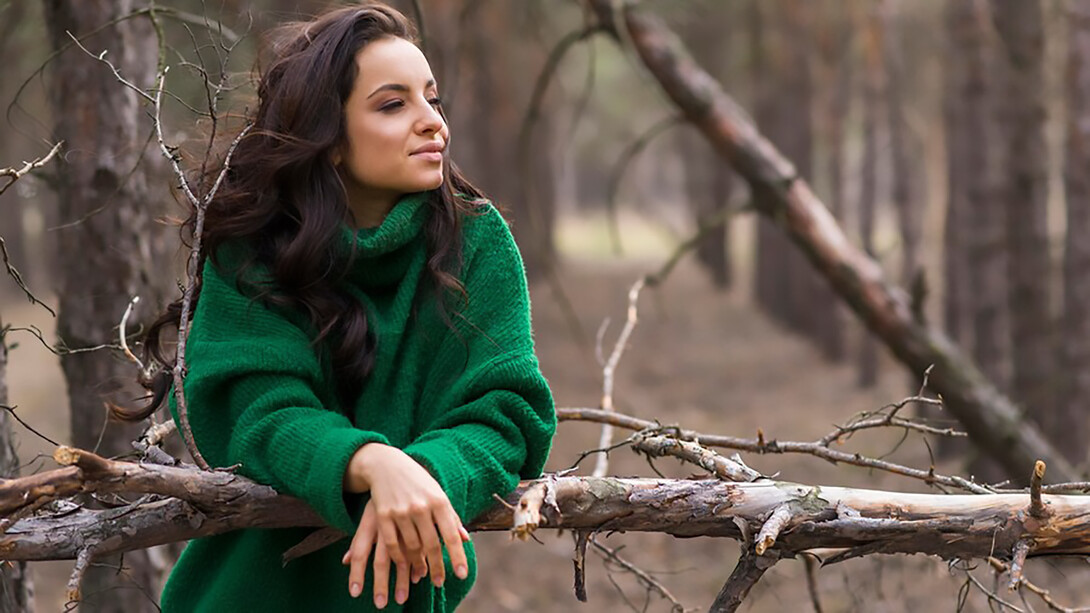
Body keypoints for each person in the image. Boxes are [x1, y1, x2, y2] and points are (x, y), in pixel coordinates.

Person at [120, 3, 557, 610]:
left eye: (433, 99)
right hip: (243, 593)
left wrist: (426, 474)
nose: (432, 122)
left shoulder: (475, 241)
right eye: (392, 104)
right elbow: (256, 412)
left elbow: (505, 411)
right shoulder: (255, 245)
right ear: (328, 140)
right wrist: (368, 462)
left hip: (400, 592)